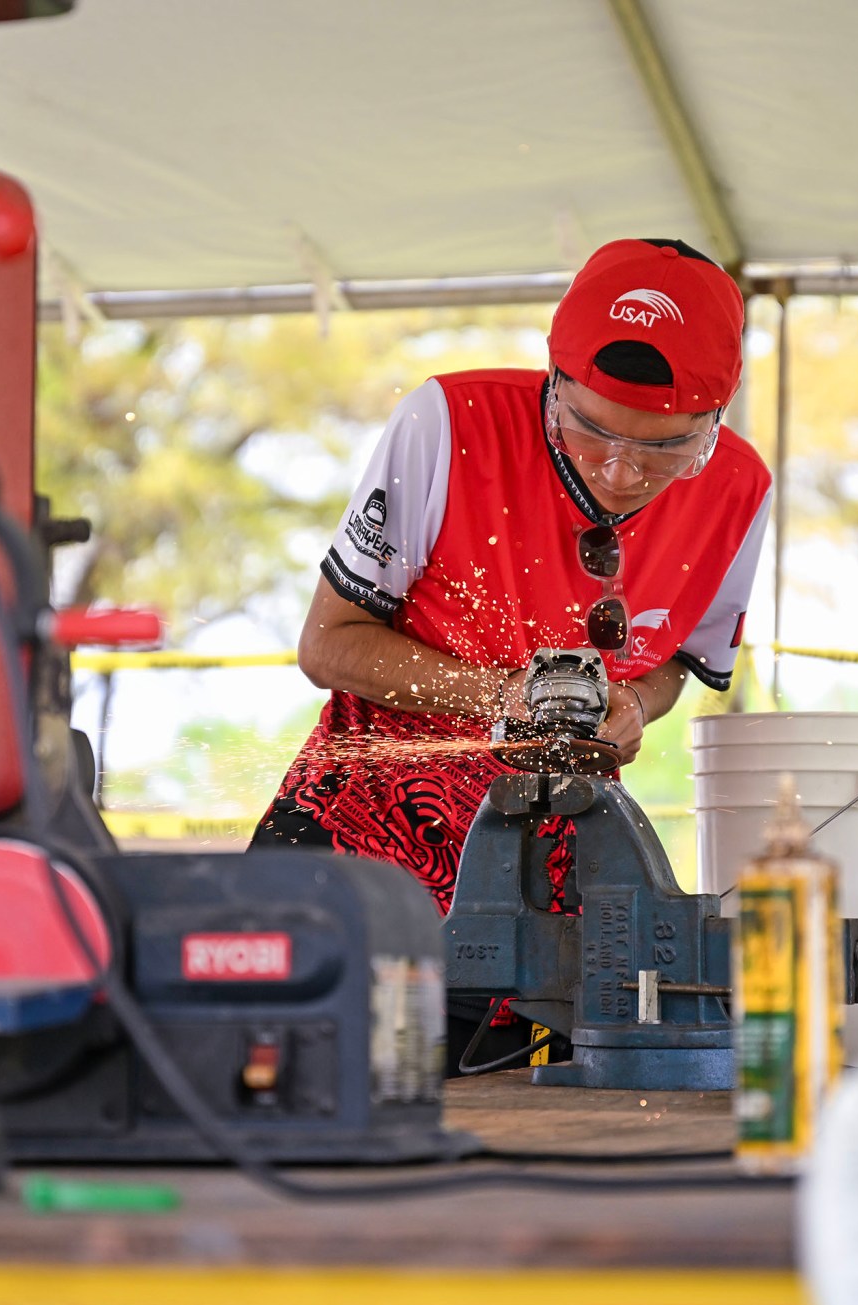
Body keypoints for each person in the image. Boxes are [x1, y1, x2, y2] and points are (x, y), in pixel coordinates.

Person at [251, 238, 771, 1065]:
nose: (621, 469)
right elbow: (327, 643)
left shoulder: (741, 491)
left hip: (563, 904)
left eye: (667, 447)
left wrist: (636, 702)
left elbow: (680, 665)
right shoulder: (449, 425)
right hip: (362, 850)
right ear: (553, 381)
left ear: (717, 417)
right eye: (591, 429)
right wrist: (499, 695)